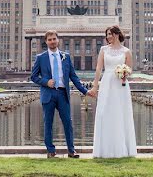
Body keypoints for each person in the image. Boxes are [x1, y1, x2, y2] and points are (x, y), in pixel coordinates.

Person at [30, 30, 94, 158]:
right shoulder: (40, 58)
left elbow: (73, 77)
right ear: (46, 42)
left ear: (58, 40)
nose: (52, 41)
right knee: (48, 123)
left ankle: (71, 150)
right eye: (49, 39)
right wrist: (46, 82)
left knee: (68, 122)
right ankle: (50, 150)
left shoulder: (66, 56)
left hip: (63, 94)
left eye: (54, 39)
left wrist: (85, 91)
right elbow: (33, 76)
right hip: (48, 94)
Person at [89, 25, 137, 158]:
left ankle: (122, 149)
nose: (108, 37)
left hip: (120, 84)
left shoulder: (126, 51)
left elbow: (130, 69)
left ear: (116, 34)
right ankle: (105, 149)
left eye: (110, 34)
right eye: (107, 34)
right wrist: (95, 86)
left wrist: (124, 73)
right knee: (104, 113)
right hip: (106, 83)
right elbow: (99, 68)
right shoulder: (103, 50)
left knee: (121, 113)